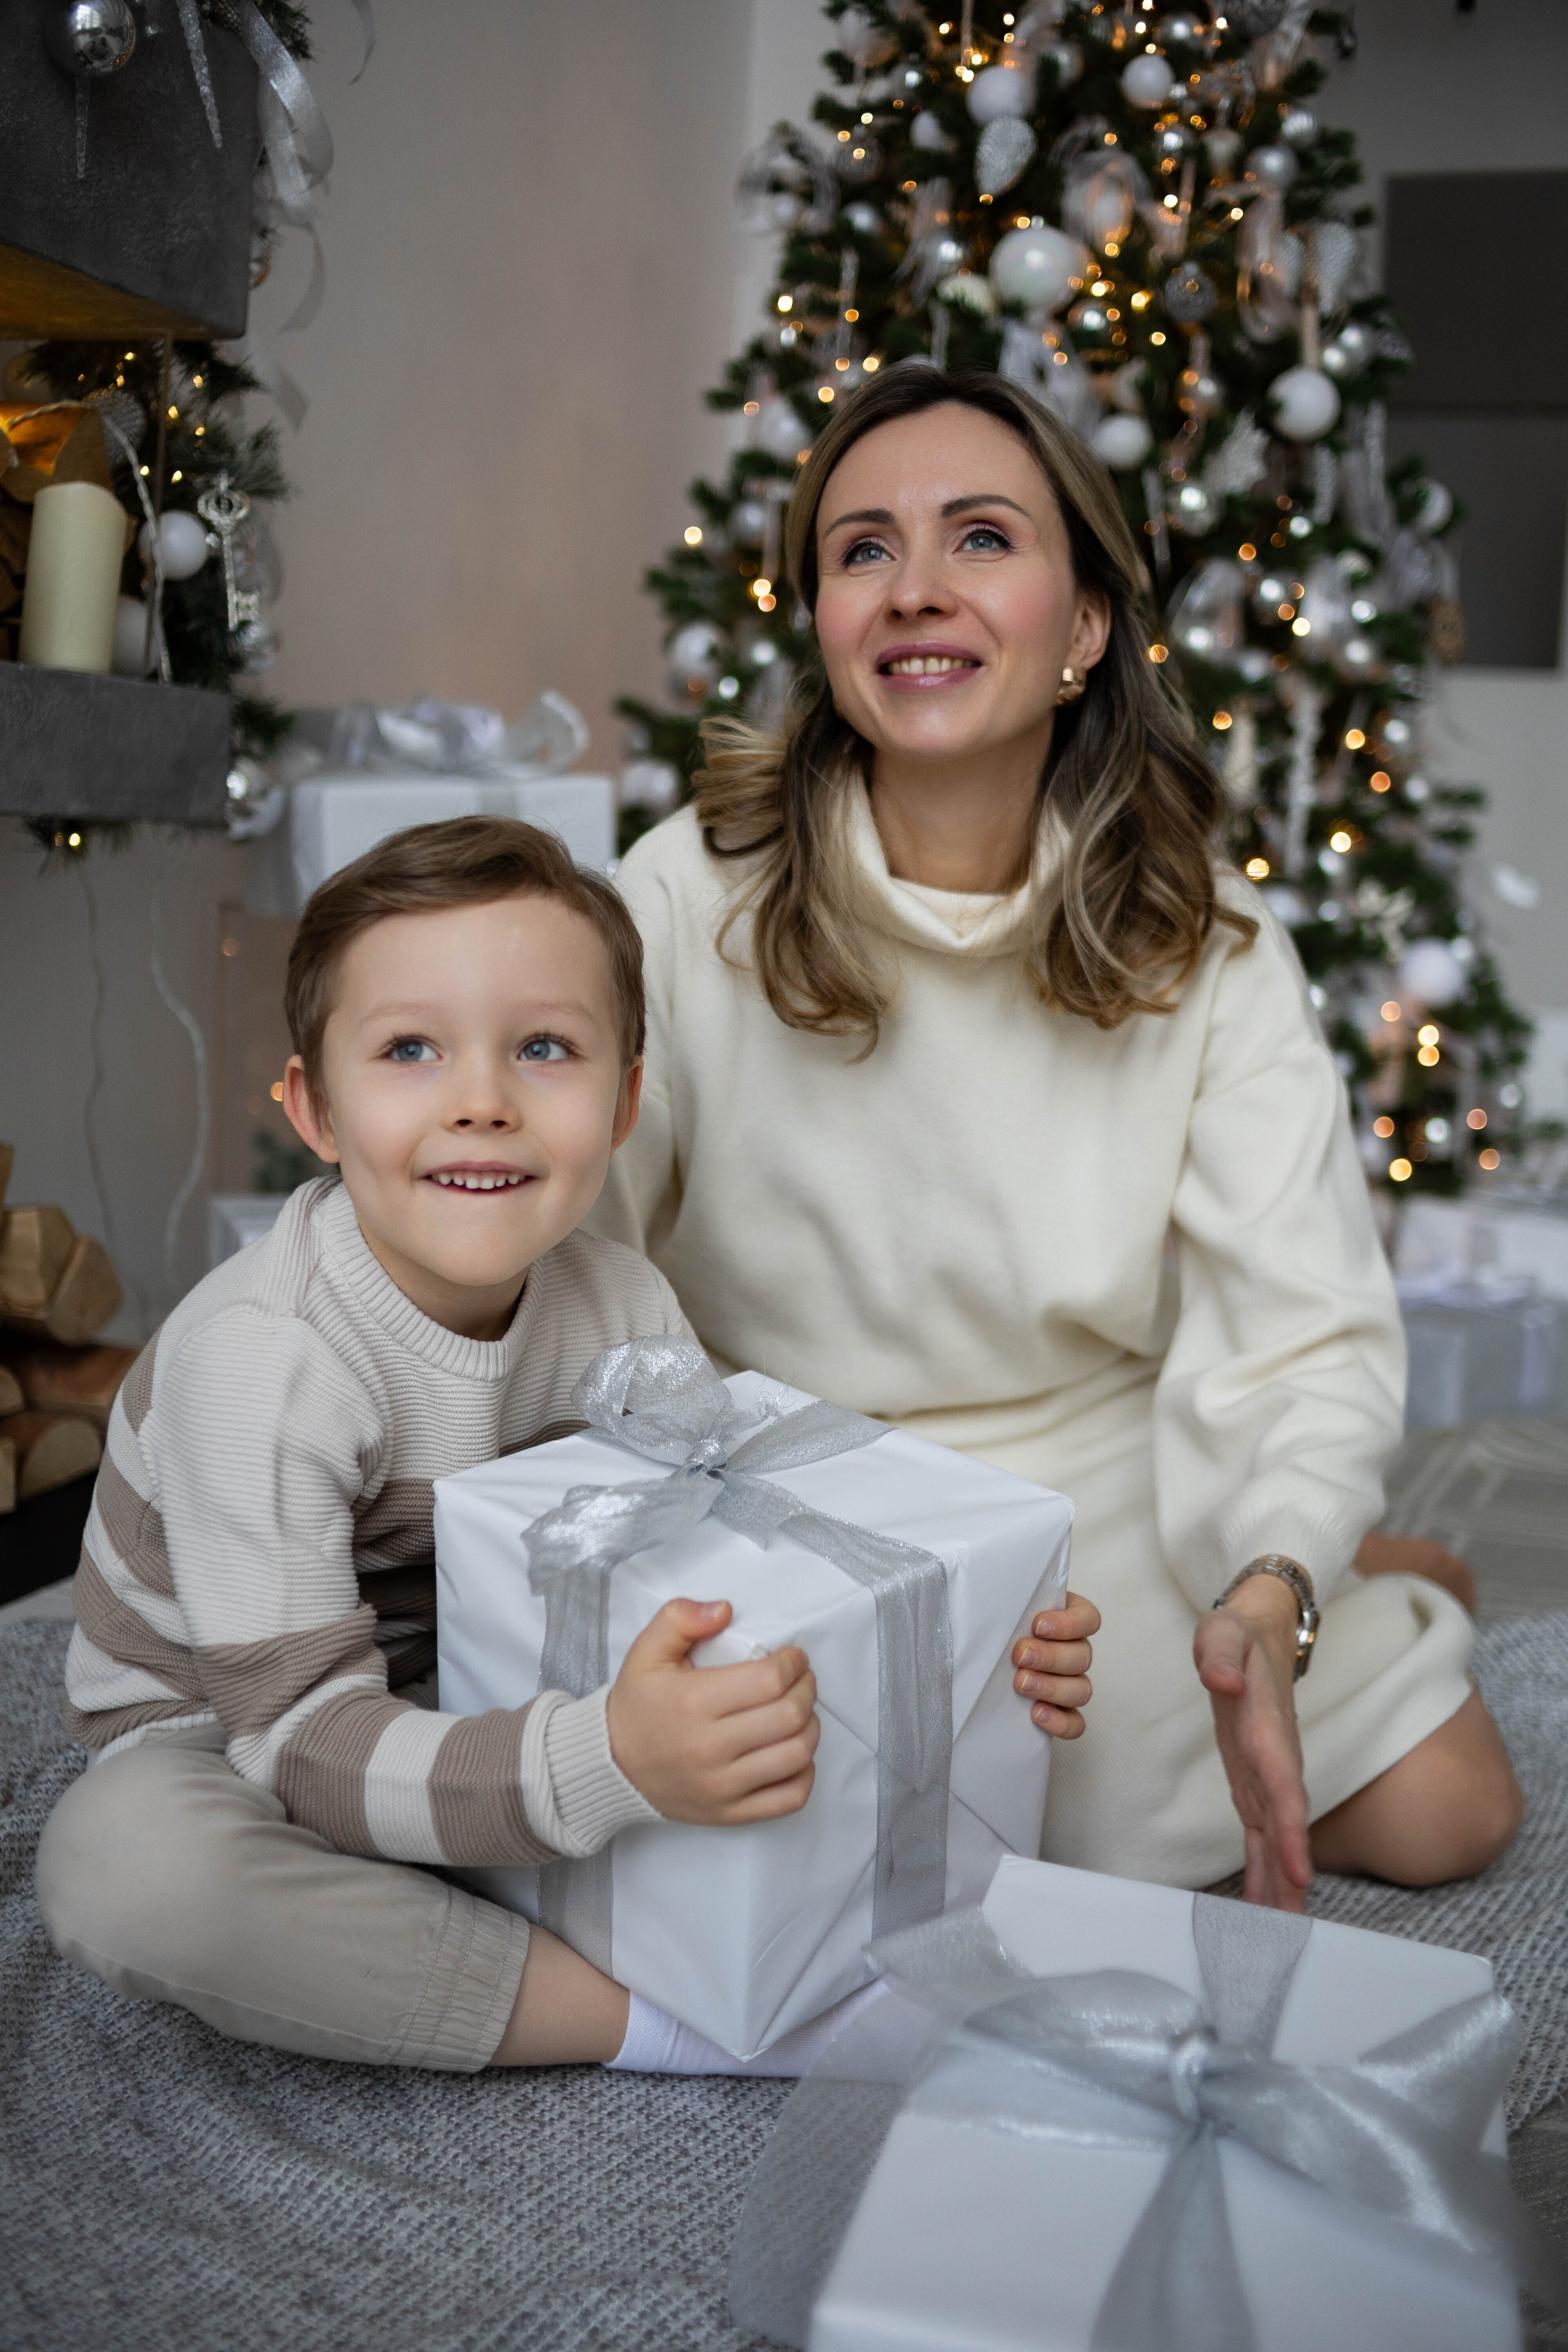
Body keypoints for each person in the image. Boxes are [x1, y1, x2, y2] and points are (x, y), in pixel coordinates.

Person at [592, 366, 1523, 1912]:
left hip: (1094, 1506)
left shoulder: (1207, 943)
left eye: (979, 538)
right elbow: (586, 1255)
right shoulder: (687, 893)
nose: (913, 591)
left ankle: (1365, 1583)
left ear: (1084, 626)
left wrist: (1271, 1583)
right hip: (784, 1503)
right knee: (789, 1859)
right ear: (819, 620)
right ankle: (1396, 1577)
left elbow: (1295, 1332)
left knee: (1448, 1814)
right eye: (862, 551)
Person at [37, 816, 1079, 2073]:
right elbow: (301, 1744)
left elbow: (728, 1566)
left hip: (487, 1685)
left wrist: (956, 1645)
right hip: (247, 1741)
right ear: (314, 1109)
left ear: (624, 1098)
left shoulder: (620, 1307)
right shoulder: (265, 1362)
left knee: (719, 1740)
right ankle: (654, 2027)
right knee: (127, 1866)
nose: (481, 1102)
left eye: (543, 1048)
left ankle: (637, 1898)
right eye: (409, 1050)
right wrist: (611, 1760)